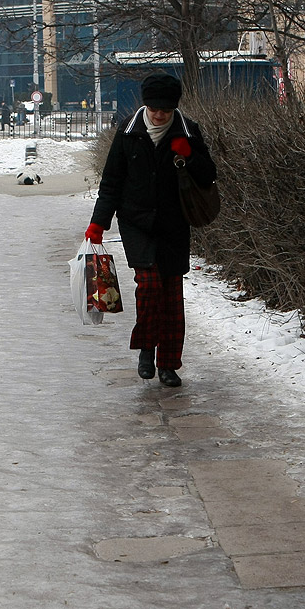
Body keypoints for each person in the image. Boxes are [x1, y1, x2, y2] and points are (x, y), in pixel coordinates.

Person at [84, 72, 217, 387]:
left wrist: (189, 154)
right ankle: (146, 347)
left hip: (174, 224)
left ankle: (169, 365)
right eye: (155, 108)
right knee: (149, 284)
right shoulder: (129, 131)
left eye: (166, 110)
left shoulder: (187, 131)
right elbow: (112, 182)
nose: (159, 115)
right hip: (137, 222)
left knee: (172, 293)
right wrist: (98, 223)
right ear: (146, 105)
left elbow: (209, 175)